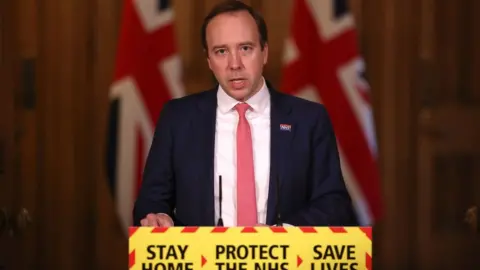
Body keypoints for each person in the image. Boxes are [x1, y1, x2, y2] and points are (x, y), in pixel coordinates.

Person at [133, 0, 357, 227]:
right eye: (221, 51)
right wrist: (159, 217)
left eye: (246, 48)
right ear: (209, 60)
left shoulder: (308, 120)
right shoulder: (177, 119)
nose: (234, 64)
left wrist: (282, 235)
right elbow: (150, 202)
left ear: (264, 53)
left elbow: (334, 205)